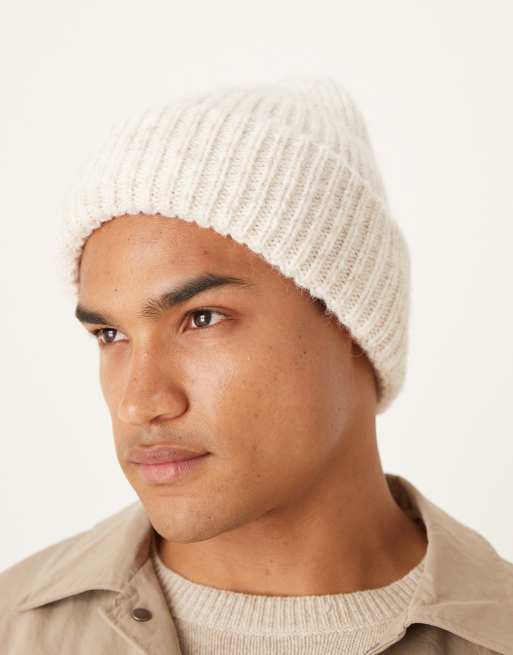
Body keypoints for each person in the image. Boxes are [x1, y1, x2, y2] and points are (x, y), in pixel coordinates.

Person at [1, 77, 511, 654]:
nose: (139, 402)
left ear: (351, 319)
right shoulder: (16, 630)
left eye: (201, 319)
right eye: (110, 334)